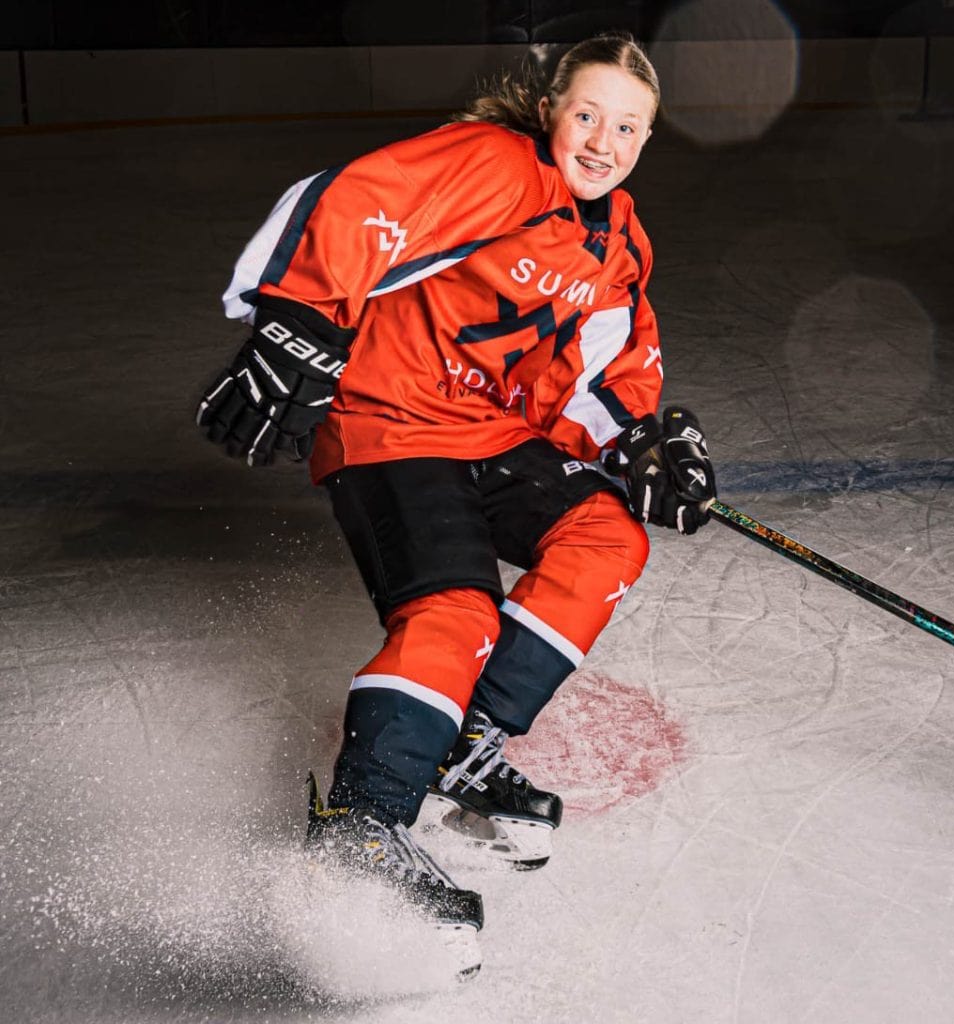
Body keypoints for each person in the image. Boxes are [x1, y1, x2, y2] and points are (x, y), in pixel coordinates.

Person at [195, 32, 715, 974]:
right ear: (551, 110)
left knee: (605, 537)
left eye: (627, 126)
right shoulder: (497, 166)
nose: (603, 140)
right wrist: (299, 327)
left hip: (488, 436)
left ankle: (460, 741)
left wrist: (637, 439)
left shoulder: (619, 238)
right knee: (455, 611)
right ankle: (362, 822)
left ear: (647, 140)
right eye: (587, 114)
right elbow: (352, 202)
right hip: (390, 424)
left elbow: (607, 369)